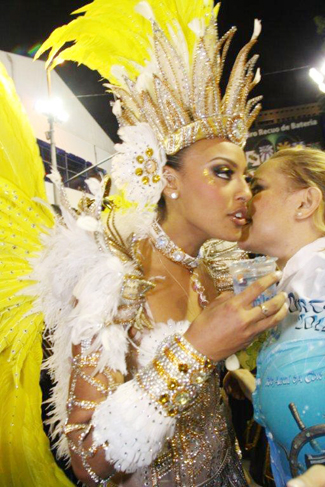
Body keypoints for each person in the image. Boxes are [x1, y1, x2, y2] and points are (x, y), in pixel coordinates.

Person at [0, 1, 288, 486]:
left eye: (245, 175)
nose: (243, 192)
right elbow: (88, 464)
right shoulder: (110, 277)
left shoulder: (214, 264)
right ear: (168, 180)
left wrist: (228, 373)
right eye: (222, 173)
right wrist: (196, 350)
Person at [239, 148, 325, 487]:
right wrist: (249, 385)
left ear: (304, 203)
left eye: (257, 186)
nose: (244, 196)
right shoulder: (296, 280)